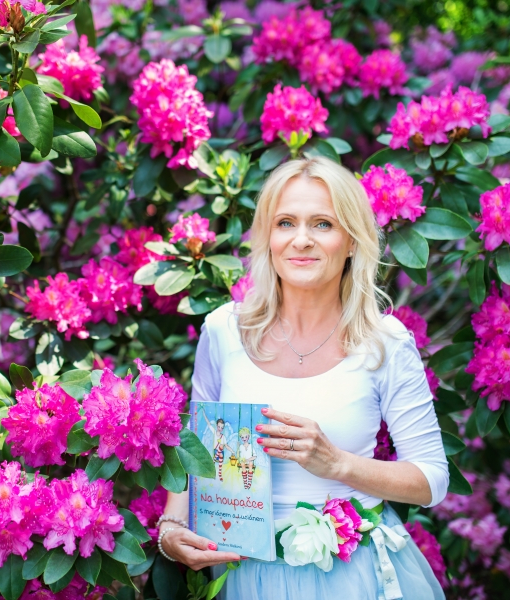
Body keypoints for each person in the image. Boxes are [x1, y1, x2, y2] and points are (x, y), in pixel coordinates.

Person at [155, 157, 448, 599]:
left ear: (352, 242)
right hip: (244, 577)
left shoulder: (384, 342)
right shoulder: (223, 331)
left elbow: (432, 480)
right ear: (268, 238)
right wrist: (171, 528)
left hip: (351, 577)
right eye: (286, 223)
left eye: (323, 224)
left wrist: (338, 464)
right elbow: (196, 451)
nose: (302, 239)